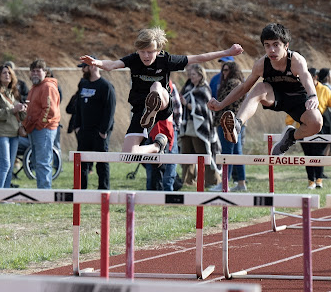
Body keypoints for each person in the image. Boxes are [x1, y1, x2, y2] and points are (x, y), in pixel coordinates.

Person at [80, 27, 243, 157]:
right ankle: (157, 146)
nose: (145, 56)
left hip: (163, 104)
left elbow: (199, 58)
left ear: (158, 50)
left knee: (156, 86)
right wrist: (97, 62)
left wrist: (227, 53)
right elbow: (112, 65)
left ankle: (154, 104)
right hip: (141, 110)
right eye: (142, 51)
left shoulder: (165, 60)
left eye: (150, 52)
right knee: (127, 155)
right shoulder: (134, 59)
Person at [208, 23, 321, 157]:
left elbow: (306, 77)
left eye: (276, 45)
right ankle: (236, 125)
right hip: (274, 97)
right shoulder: (261, 64)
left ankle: (290, 136)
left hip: (298, 100)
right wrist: (221, 104)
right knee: (259, 87)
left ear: (286, 45)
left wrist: (313, 96)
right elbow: (244, 87)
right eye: (267, 45)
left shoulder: (296, 60)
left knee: (316, 124)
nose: (271, 50)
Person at [286, 67, 331, 189]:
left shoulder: (325, 90)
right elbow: (292, 108)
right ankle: (311, 181)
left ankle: (319, 180)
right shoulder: (299, 90)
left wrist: (326, 117)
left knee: (319, 154)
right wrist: (289, 123)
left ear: (315, 77)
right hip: (303, 127)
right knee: (308, 155)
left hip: (321, 127)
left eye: (309, 77)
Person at [72, 62, 116, 190]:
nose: (82, 70)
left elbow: (110, 110)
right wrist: (77, 126)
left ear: (92, 67)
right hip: (84, 131)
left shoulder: (106, 86)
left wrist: (103, 130)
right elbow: (78, 106)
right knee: (82, 163)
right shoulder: (83, 84)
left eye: (84, 67)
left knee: (101, 163)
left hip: (99, 132)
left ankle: (103, 190)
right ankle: (81, 190)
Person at [178, 64, 220, 189]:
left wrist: (187, 103)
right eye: (190, 74)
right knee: (186, 155)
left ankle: (212, 181)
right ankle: (188, 180)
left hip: (200, 127)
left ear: (201, 75)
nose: (191, 77)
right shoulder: (187, 87)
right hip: (187, 127)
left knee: (204, 155)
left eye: (194, 75)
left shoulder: (204, 89)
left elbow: (205, 109)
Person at [22, 59, 60, 189]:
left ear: (45, 72)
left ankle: (44, 193)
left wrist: (38, 125)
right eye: (33, 71)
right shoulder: (34, 88)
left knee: (43, 162)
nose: (35, 74)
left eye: (38, 71)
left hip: (44, 129)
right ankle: (41, 191)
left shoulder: (47, 87)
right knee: (37, 161)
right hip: (35, 129)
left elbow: (49, 110)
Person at [0, 64, 25, 189]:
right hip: (1, 133)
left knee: (10, 166)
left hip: (14, 133)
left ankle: (6, 196)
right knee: (5, 165)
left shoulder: (12, 93)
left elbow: (18, 115)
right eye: (4, 73)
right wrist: (13, 109)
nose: (7, 75)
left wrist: (23, 110)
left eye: (9, 73)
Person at [212, 60, 247, 191]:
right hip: (235, 121)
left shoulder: (233, 83)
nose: (224, 73)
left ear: (232, 71)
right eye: (223, 70)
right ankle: (241, 183)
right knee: (236, 152)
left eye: (226, 70)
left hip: (228, 122)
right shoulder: (237, 83)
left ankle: (225, 183)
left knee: (228, 152)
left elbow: (225, 102)